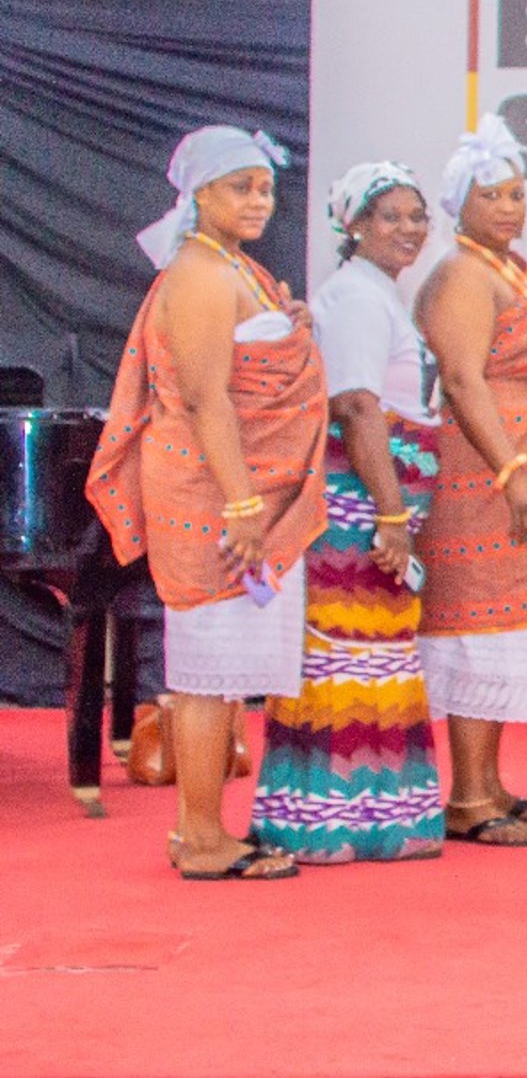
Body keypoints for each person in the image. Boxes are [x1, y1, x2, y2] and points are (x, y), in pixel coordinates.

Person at [88, 125, 325, 881]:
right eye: (240, 187)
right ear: (199, 195)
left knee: (222, 674)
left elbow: (254, 363)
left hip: (235, 491)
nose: (259, 200)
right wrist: (243, 505)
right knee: (204, 672)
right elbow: (205, 397)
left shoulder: (233, 266)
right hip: (212, 494)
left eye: (265, 187)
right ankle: (198, 838)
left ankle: (207, 828)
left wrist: (293, 333)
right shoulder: (197, 273)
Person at [250, 161, 445, 863]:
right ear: (354, 225)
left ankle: (372, 818)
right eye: (390, 216)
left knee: (373, 660)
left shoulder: (376, 292)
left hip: (374, 503)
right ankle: (329, 822)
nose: (408, 229)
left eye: (418, 216)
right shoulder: (358, 298)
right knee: (348, 659)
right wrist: (390, 516)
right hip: (357, 510)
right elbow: (358, 408)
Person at [413, 114, 527, 847]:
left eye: (517, 194)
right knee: (479, 628)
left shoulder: (505, 269)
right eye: (492, 196)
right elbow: (461, 379)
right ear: (461, 205)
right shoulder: (460, 273)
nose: (510, 208)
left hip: (521, 473)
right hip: (484, 481)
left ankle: (490, 784)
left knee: (507, 627)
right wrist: (512, 472)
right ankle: (468, 798)